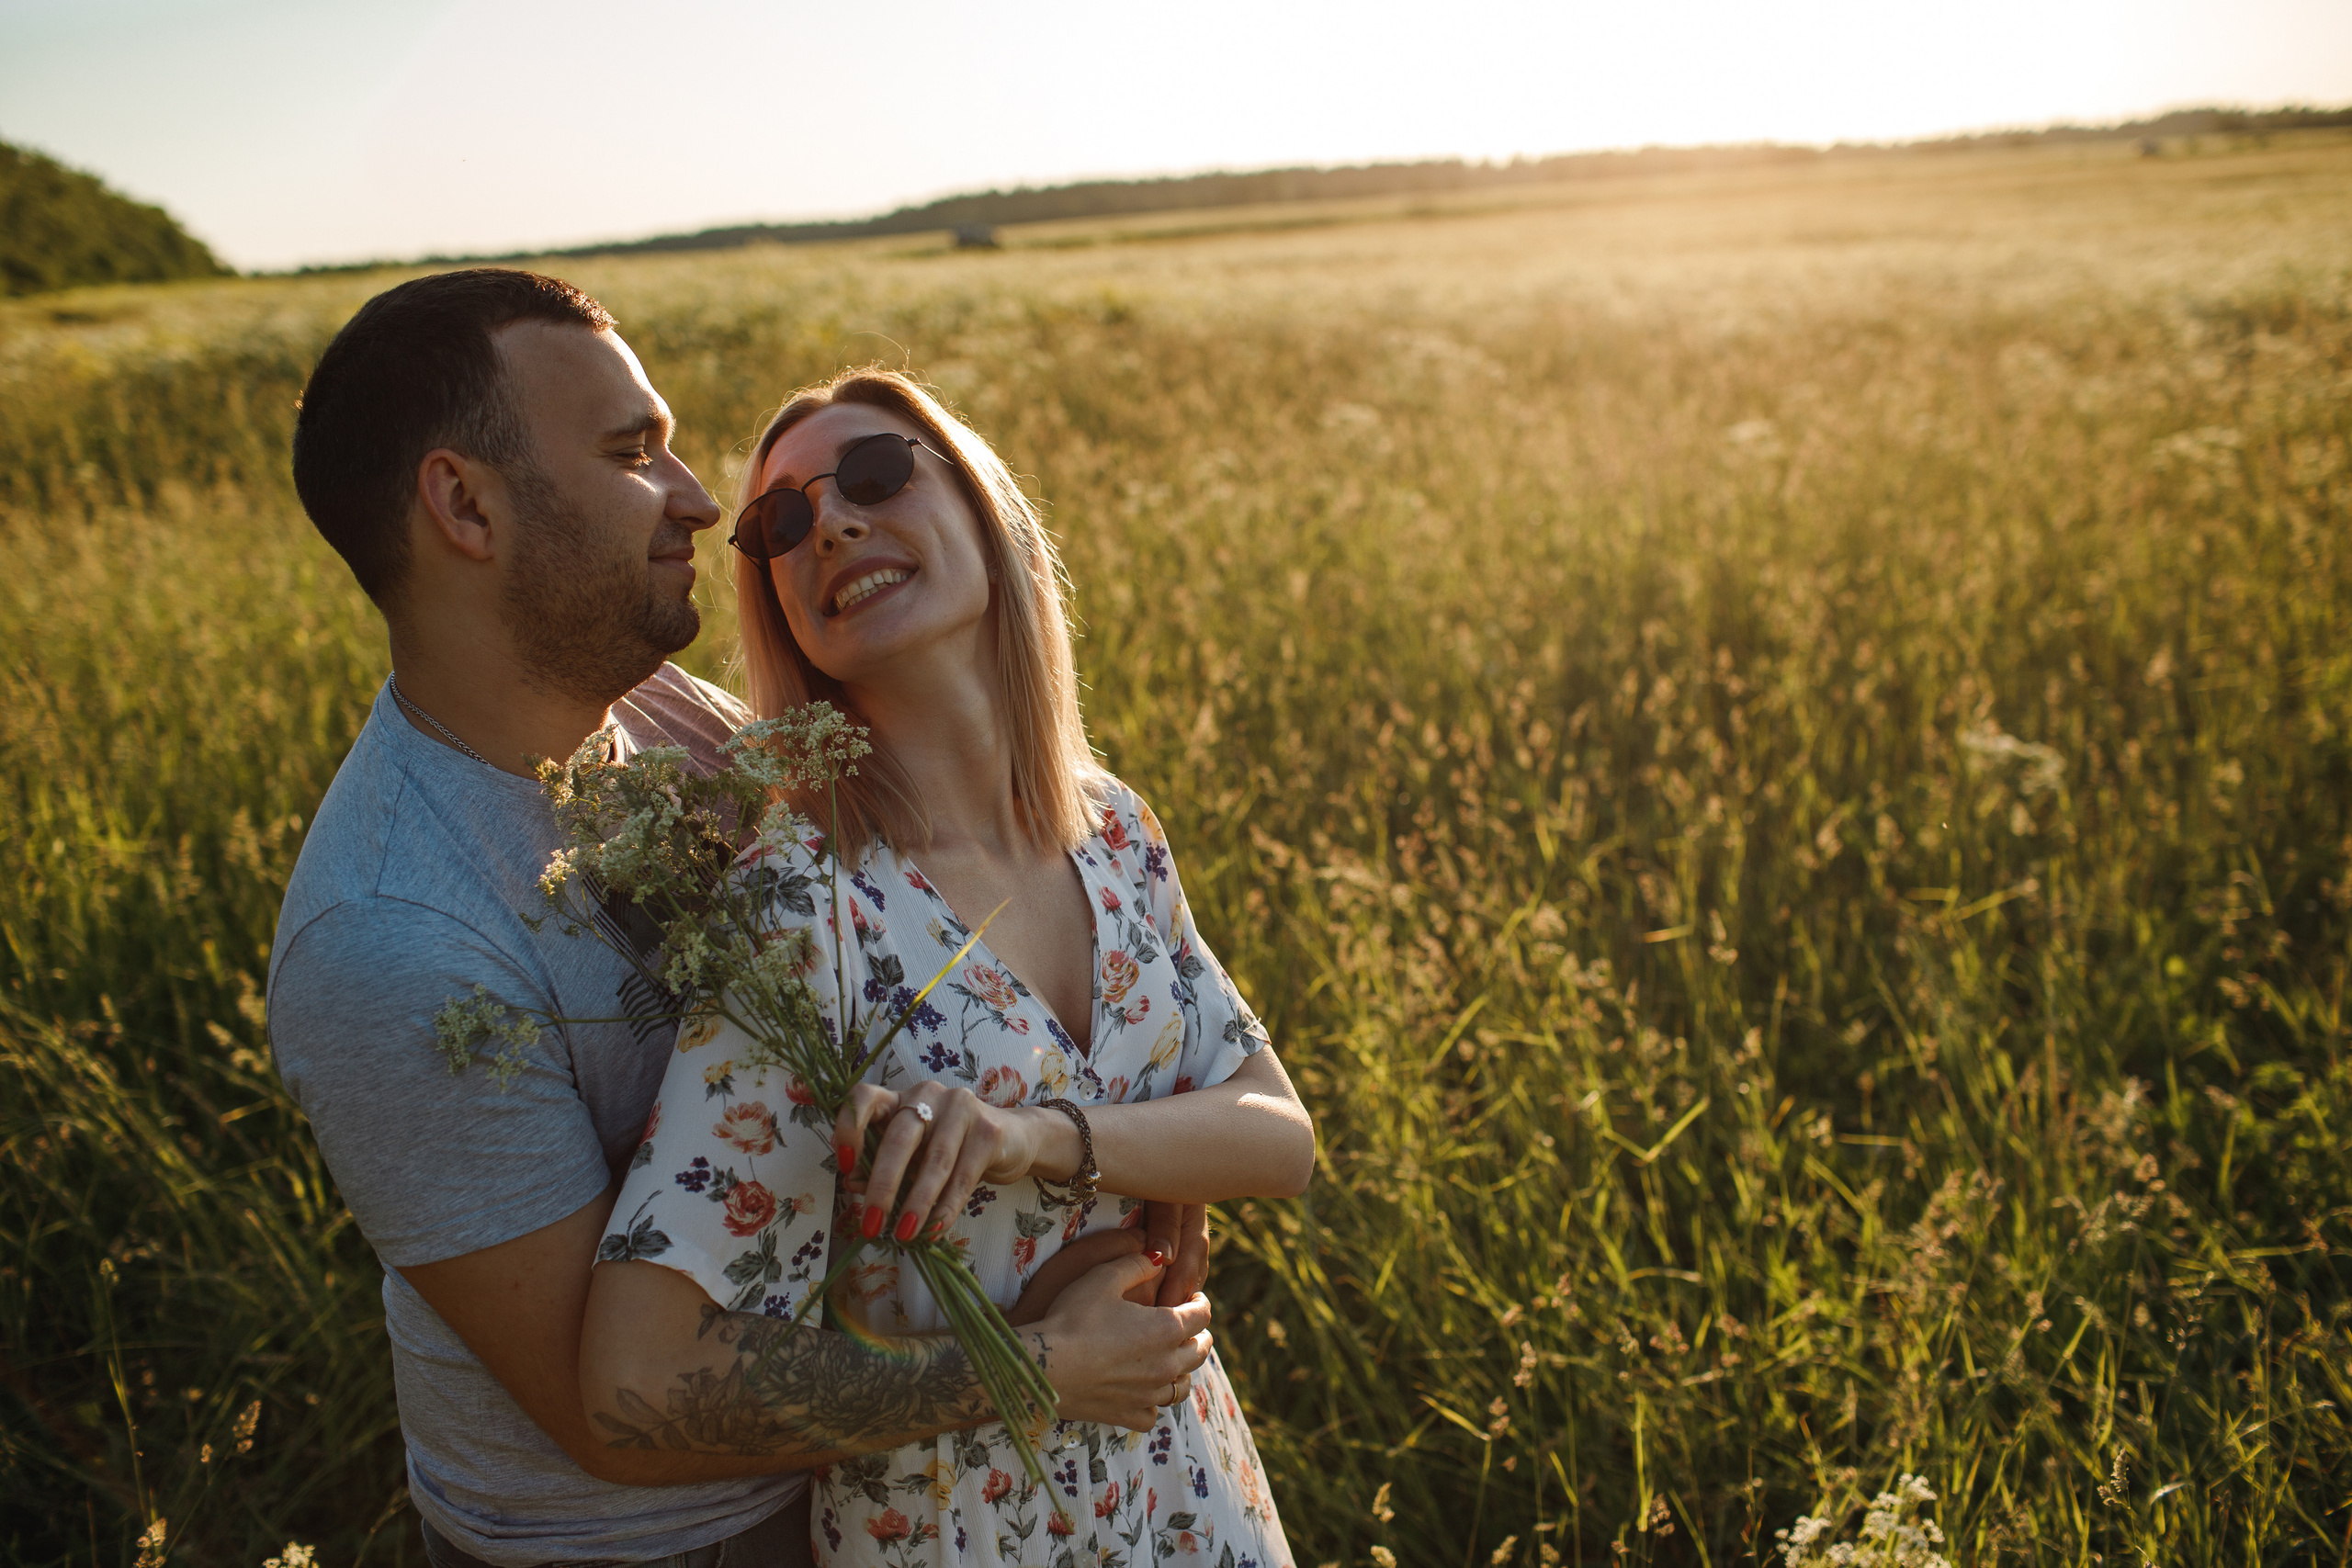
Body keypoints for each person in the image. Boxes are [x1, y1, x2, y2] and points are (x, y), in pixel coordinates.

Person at [268, 271, 1216, 1568]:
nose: (701, 503)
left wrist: (1117, 1158)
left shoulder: (674, 722)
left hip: (870, 1491)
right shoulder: (391, 939)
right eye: (632, 454)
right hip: (651, 1545)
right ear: (465, 505)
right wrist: (1038, 1364)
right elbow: (618, 1416)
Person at [578, 369, 1313, 1564]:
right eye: (781, 523)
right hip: (963, 1527)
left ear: (985, 506)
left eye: (874, 474)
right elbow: (635, 1379)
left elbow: (1278, 1134)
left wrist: (1037, 1140)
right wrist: (1036, 1367)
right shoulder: (801, 905)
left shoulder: (1110, 825)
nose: (832, 524)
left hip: (1187, 1494)